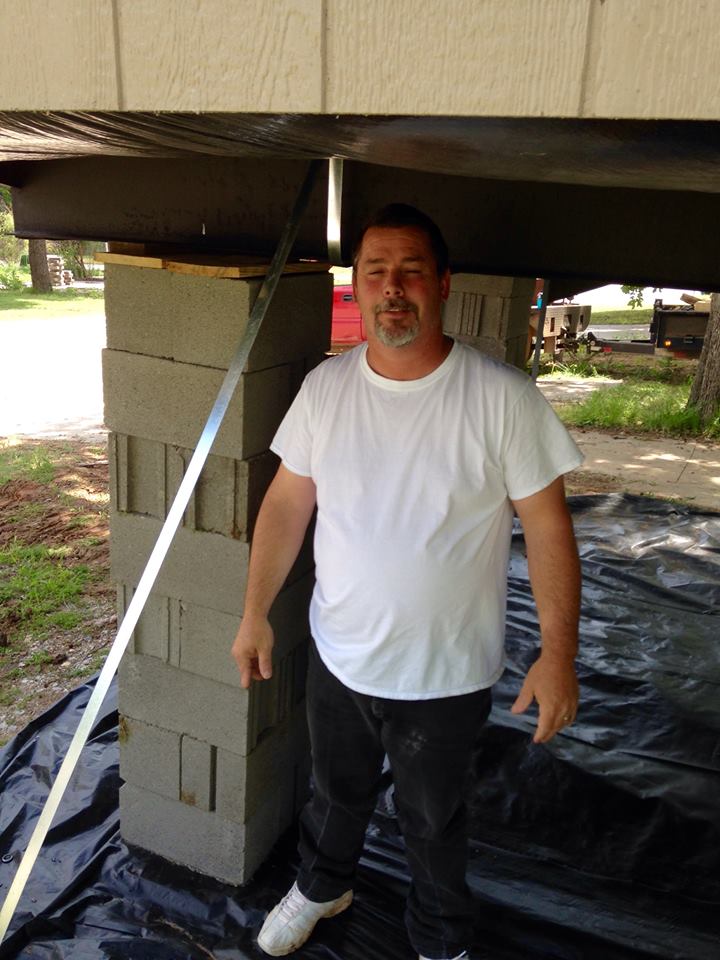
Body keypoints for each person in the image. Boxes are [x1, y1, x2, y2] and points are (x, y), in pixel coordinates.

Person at [232, 204, 583, 960]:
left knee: (433, 821)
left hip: (445, 673)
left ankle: (440, 941)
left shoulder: (501, 398)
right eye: (375, 272)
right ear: (355, 287)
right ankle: (325, 886)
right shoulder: (327, 389)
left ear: (444, 283)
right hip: (340, 655)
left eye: (411, 271)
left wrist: (559, 654)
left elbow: (550, 528)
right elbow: (290, 501)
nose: (393, 288)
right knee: (335, 793)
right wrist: (255, 611)